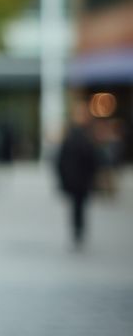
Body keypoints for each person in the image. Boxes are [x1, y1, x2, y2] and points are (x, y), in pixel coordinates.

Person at [57, 101, 99, 248]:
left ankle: (79, 230)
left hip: (82, 179)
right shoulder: (72, 135)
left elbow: (92, 159)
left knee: (80, 206)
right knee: (77, 206)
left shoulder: (87, 135)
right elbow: (61, 160)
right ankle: (77, 230)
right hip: (74, 178)